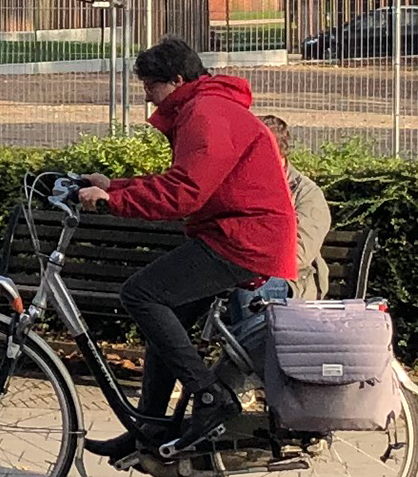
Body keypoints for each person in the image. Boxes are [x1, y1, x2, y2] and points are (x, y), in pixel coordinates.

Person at [77, 38, 300, 453]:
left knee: (141, 294)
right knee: (166, 321)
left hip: (244, 241)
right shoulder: (207, 106)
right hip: (235, 235)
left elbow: (186, 192)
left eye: (151, 86)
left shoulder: (206, 112)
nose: (148, 97)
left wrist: (115, 201)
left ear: (177, 80)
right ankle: (151, 430)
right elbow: (184, 179)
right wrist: (115, 186)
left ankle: (210, 397)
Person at [264, 112, 336, 298]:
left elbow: (296, 255)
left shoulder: (308, 195)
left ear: (276, 153)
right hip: (241, 270)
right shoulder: (241, 185)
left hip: (293, 283)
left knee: (252, 289)